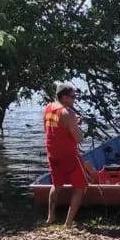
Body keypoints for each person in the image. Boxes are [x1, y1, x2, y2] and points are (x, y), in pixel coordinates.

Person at [44, 84, 89, 227]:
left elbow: (52, 128)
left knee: (56, 185)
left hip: (52, 153)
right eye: (73, 97)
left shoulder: (48, 108)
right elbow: (79, 138)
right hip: (69, 155)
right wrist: (76, 124)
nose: (75, 100)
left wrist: (73, 123)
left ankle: (50, 216)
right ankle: (68, 223)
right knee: (80, 186)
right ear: (64, 97)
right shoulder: (67, 113)